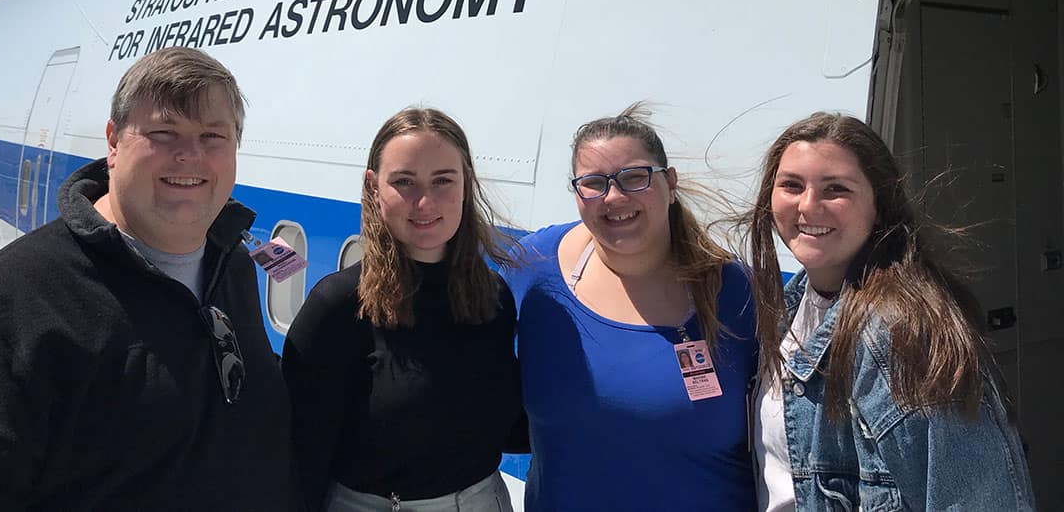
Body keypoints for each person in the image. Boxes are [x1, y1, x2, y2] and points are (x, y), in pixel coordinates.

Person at [0, 47, 299, 511]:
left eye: (213, 136)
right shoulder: (4, 315)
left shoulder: (230, 263)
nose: (189, 156)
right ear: (113, 143)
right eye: (163, 132)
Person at [745, 112, 1035, 511]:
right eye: (792, 186)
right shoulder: (788, 312)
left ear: (879, 205)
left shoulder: (900, 333)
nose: (808, 206)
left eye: (836, 189)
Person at [504, 104, 757, 511]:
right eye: (594, 183)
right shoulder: (535, 268)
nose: (615, 197)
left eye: (635, 177)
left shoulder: (736, 292)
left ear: (670, 184)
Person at [282, 107, 522, 512]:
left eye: (443, 180)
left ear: (466, 183)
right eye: (404, 182)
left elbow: (503, 424)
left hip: (484, 500)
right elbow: (301, 451)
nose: (425, 202)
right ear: (374, 187)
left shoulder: (491, 296)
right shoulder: (338, 306)